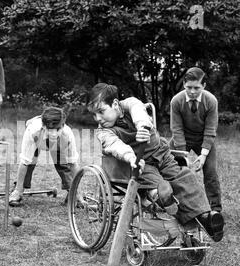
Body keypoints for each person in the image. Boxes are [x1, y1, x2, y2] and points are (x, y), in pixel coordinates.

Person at [88, 83, 224, 242]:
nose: (98, 118)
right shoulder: (104, 132)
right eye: (94, 115)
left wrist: (142, 127)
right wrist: (131, 158)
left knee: (185, 176)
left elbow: (138, 111)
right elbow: (115, 146)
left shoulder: (130, 104)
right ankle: (162, 198)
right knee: (155, 183)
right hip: (141, 163)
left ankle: (206, 218)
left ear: (116, 104)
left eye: (101, 111)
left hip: (162, 154)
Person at [170, 67, 222, 213]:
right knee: (169, 168)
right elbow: (177, 129)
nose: (192, 91)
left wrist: (204, 155)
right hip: (182, 138)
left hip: (203, 138)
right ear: (184, 85)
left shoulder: (211, 101)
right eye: (189, 87)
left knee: (211, 172)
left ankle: (215, 209)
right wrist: (182, 156)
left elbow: (211, 130)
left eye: (196, 88)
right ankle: (170, 203)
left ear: (204, 86)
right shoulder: (176, 101)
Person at [9, 107, 80, 207]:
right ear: (43, 126)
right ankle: (17, 190)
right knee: (30, 162)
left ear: (63, 126)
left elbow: (73, 164)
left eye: (57, 129)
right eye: (50, 130)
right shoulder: (33, 130)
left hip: (59, 143)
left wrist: (79, 193)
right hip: (38, 140)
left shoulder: (67, 134)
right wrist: (18, 190)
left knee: (63, 164)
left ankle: (73, 193)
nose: (54, 134)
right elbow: (24, 163)